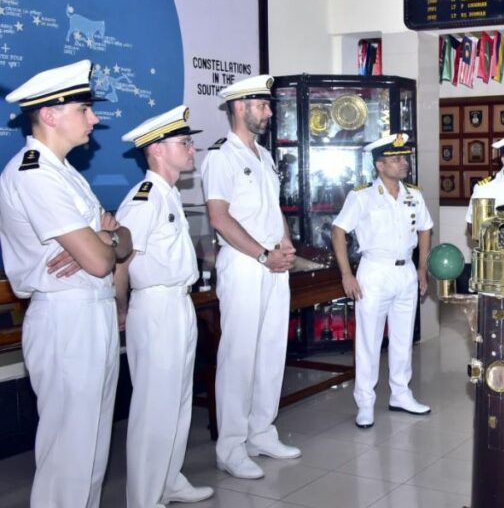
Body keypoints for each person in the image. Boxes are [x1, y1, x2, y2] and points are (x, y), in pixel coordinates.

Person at [0, 59, 133, 507]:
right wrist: (102, 241)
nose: (94, 118)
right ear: (51, 115)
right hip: (65, 317)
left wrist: (105, 237)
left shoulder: (66, 173)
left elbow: (119, 243)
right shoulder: (33, 173)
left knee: (93, 449)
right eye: (84, 108)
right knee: (68, 452)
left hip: (89, 314)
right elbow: (99, 261)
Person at [114, 106, 214, 507]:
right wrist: (121, 310)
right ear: (156, 149)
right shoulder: (144, 199)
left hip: (179, 304)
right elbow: (122, 258)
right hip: (154, 308)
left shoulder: (169, 194)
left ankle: (169, 480)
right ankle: (143, 497)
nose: (192, 150)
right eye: (184, 143)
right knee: (153, 407)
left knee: (176, 401)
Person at [201, 75, 300, 480]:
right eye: (263, 105)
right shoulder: (220, 156)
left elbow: (272, 211)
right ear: (240, 107)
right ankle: (231, 446)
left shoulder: (263, 155)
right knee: (239, 356)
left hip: (273, 263)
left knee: (271, 350)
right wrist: (262, 254)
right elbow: (219, 217)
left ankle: (261, 430)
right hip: (245, 264)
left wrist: (286, 245)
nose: (270, 112)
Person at [331, 133, 433, 429]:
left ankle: (401, 394)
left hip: (405, 273)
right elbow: (339, 231)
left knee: (403, 339)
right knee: (369, 341)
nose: (404, 164)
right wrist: (346, 274)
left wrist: (421, 269)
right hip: (374, 272)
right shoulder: (362, 196)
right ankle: (365, 402)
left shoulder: (414, 194)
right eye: (396, 159)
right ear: (379, 165)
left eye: (405, 158)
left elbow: (425, 229)